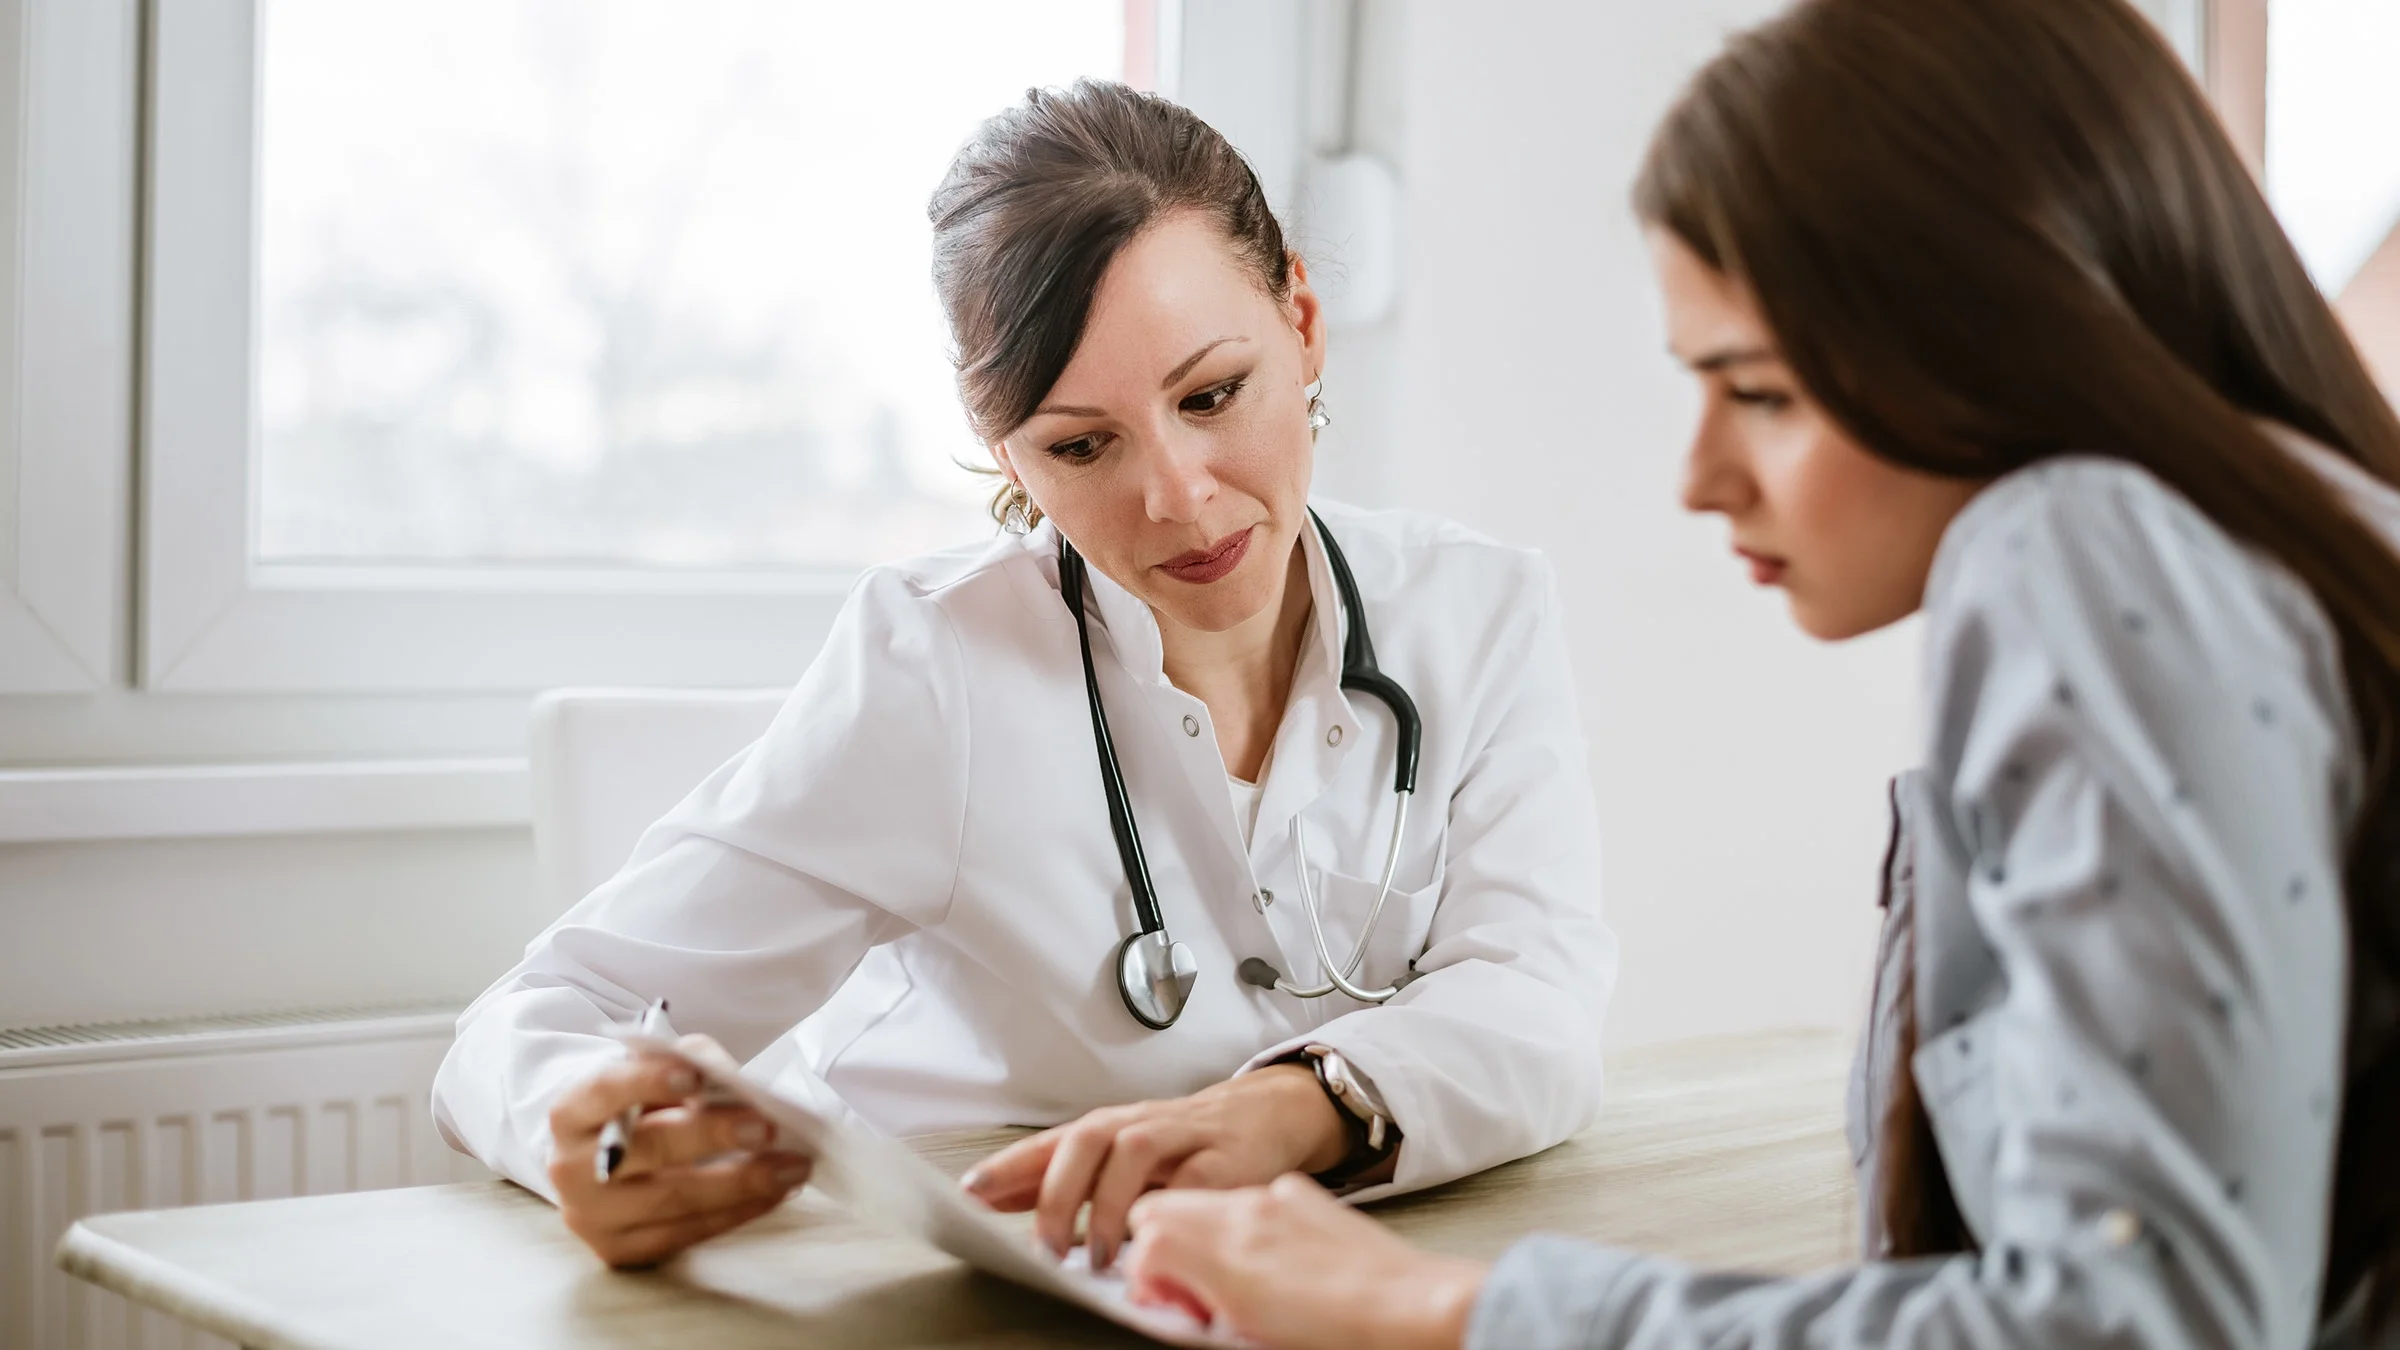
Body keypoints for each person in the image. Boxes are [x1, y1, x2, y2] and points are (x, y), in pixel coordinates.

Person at [1116, 1, 2400, 1346]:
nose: (1701, 477)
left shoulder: (2080, 544)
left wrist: (1450, 1307)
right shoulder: (2301, 534)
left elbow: (2134, 1321)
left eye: (1762, 392)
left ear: (2008, 328)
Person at [431, 79, 1616, 1272]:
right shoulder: (934, 667)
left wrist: (1296, 1107)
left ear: (1301, 321)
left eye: (1213, 395)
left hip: (1322, 1282)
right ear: (1006, 451)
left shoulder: (1478, 612)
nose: (1178, 495)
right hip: (963, 1284)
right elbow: (532, 1022)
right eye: (1081, 445)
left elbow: (1539, 998)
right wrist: (581, 1132)